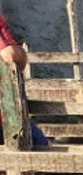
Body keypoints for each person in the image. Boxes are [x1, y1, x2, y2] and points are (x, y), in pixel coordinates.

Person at [0, 12, 49, 148]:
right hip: (6, 119)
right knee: (40, 147)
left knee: (40, 144)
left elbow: (16, 57)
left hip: (7, 116)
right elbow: (10, 55)